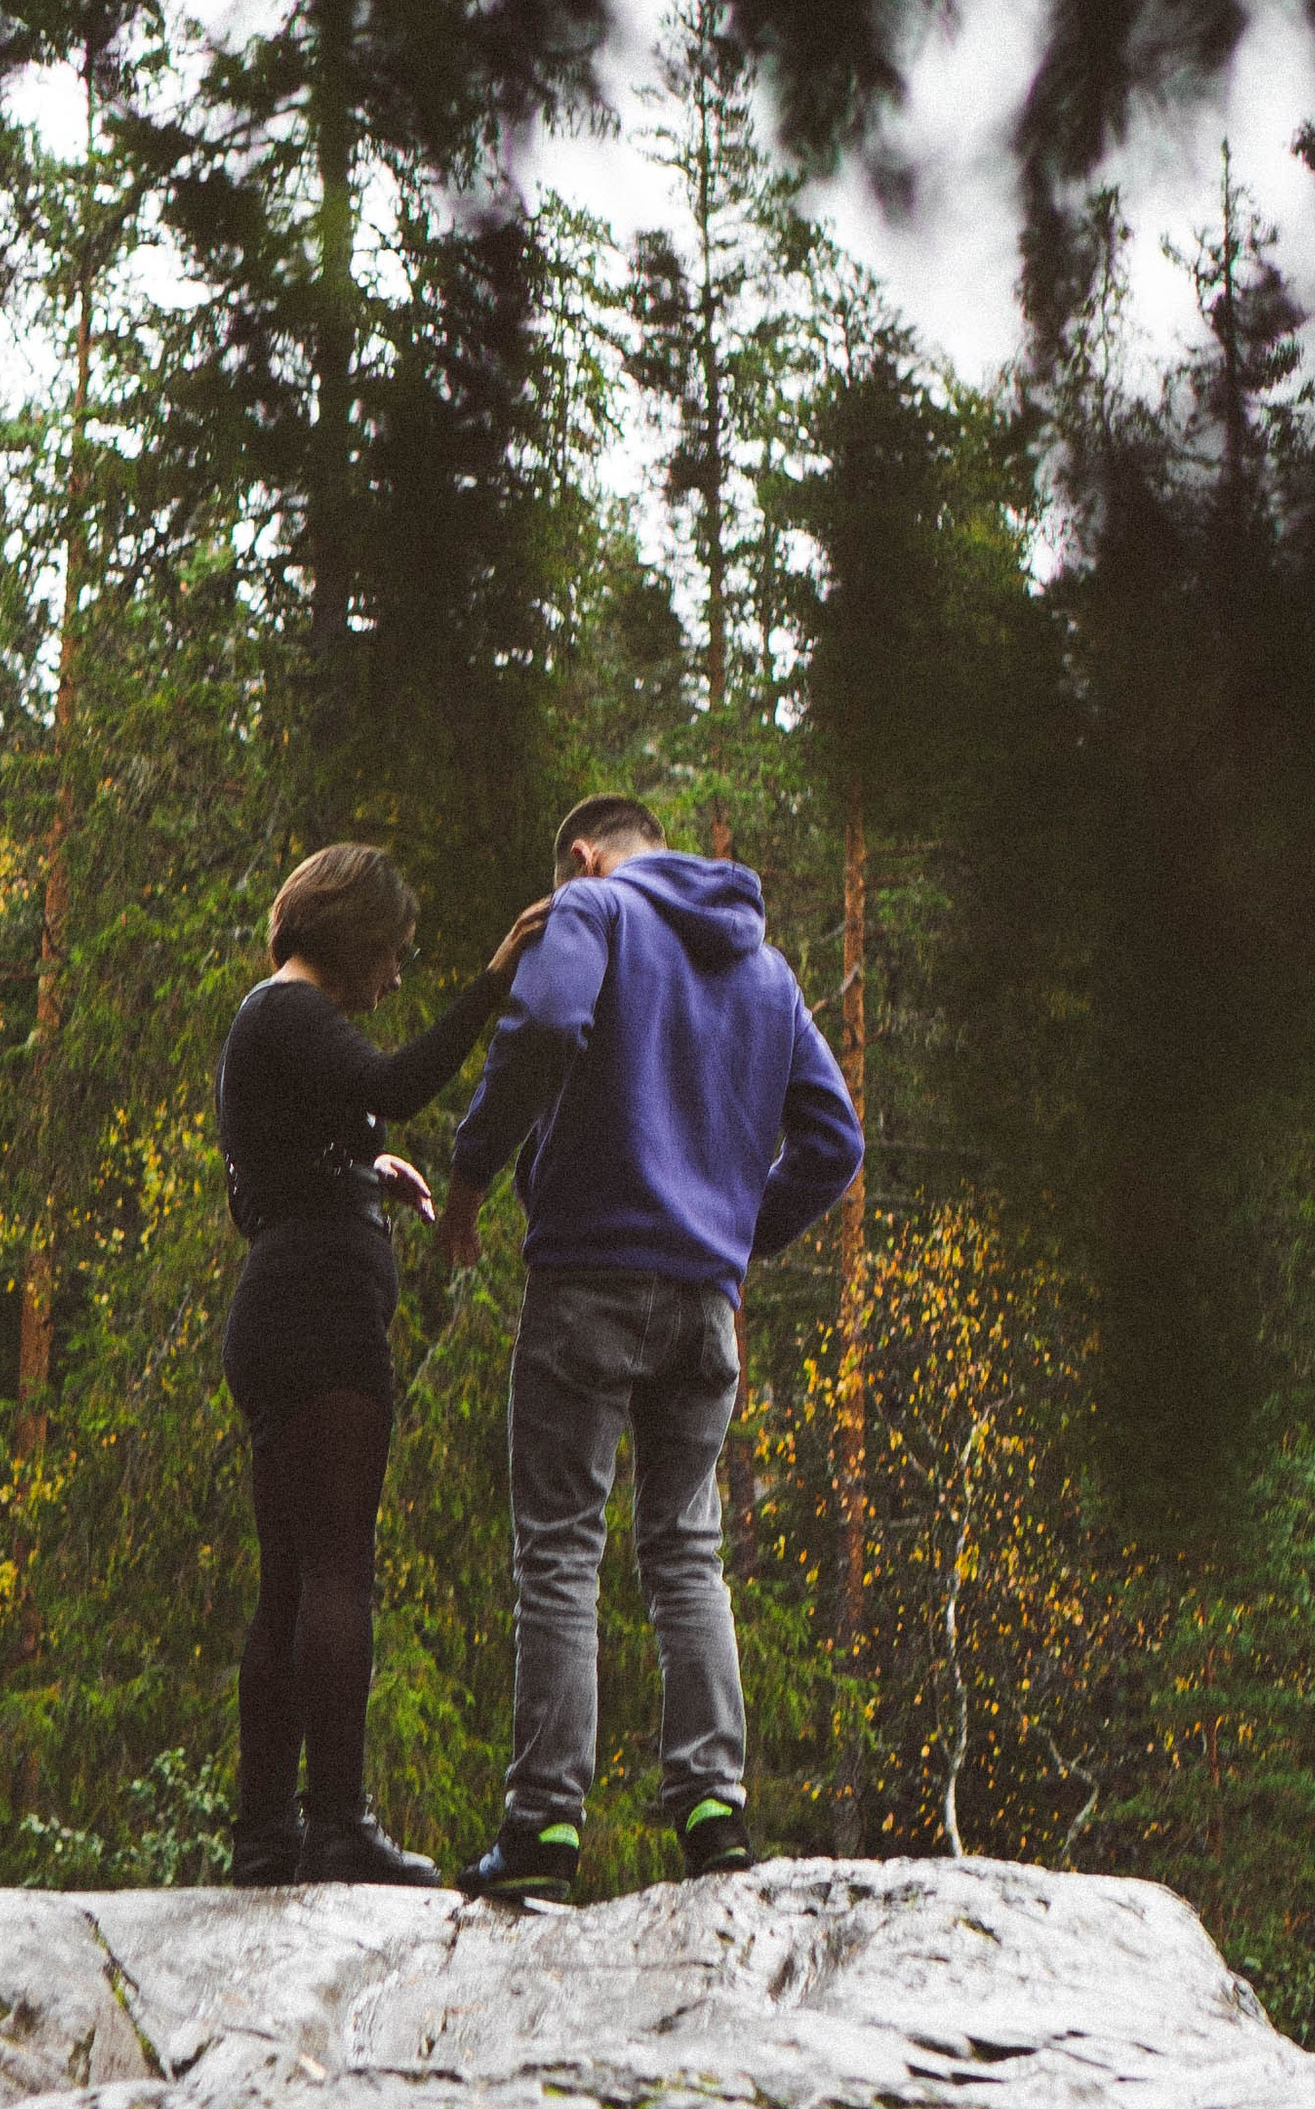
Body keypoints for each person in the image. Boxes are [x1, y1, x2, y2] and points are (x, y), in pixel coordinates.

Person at [436, 793, 863, 1901]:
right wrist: (735, 1235)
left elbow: (543, 1026)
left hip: (588, 1278)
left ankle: (543, 1828)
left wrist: (473, 1169)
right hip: (703, 1303)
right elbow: (834, 1141)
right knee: (685, 1550)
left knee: (559, 1548)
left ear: (584, 857)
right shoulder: (766, 970)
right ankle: (714, 1809)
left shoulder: (597, 911)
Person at [217, 843, 547, 1889]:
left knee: (287, 1577)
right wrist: (493, 982)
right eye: (393, 952)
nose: (396, 976)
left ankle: (265, 1835)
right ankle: (337, 1825)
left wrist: (364, 1165)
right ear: (353, 935)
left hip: (281, 1307)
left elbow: (268, 1173)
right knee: (336, 1570)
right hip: (322, 1314)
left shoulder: (267, 1023)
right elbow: (397, 1082)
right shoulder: (293, 1009)